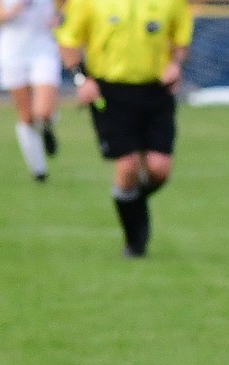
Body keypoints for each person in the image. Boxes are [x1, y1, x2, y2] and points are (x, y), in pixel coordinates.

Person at [57, 0, 193, 258]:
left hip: (156, 90)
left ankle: (130, 202)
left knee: (159, 168)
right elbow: (68, 39)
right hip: (110, 91)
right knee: (128, 165)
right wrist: (81, 79)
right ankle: (135, 241)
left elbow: (181, 37)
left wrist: (176, 64)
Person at [0, 0, 63, 183]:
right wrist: (9, 13)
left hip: (43, 48)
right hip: (12, 52)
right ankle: (38, 170)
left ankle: (46, 127)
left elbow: (67, 6)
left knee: (43, 111)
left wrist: (60, 18)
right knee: (26, 116)